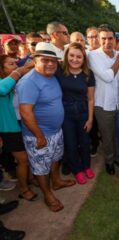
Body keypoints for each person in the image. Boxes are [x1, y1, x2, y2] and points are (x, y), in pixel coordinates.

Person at [16, 42, 76, 212]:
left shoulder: (51, 76)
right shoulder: (29, 82)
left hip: (56, 131)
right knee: (40, 167)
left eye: (53, 61)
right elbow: (25, 112)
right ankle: (47, 193)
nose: (50, 64)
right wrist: (39, 135)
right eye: (45, 60)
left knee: (55, 158)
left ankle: (56, 181)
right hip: (39, 135)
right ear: (35, 60)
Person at [56, 42, 95, 184]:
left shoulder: (88, 74)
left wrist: (90, 119)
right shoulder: (59, 70)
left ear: (84, 59)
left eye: (79, 57)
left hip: (83, 112)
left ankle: (86, 166)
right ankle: (77, 170)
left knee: (85, 142)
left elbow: (91, 99)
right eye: (71, 55)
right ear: (67, 56)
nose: (75, 59)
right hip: (66, 114)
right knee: (70, 144)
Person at [88, 26, 119, 175]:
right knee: (107, 136)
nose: (107, 42)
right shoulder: (93, 56)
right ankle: (109, 161)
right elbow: (108, 77)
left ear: (115, 39)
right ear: (98, 39)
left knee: (118, 133)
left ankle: (117, 157)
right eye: (103, 38)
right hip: (103, 105)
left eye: (110, 38)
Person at [0, 55, 38, 201]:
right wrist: (19, 71)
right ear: (2, 69)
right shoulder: (5, 82)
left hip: (22, 123)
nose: (15, 66)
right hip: (9, 128)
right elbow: (2, 89)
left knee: (28, 155)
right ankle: (23, 189)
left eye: (15, 63)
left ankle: (29, 179)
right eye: (10, 64)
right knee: (23, 159)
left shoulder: (16, 81)